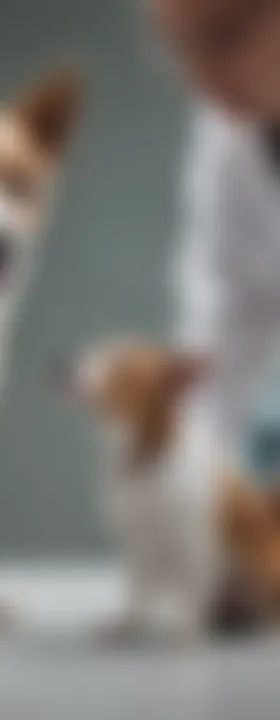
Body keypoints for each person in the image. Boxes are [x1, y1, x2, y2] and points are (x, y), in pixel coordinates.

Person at [149, 0, 280, 456]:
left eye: (224, 36)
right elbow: (228, 295)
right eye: (179, 47)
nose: (201, 77)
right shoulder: (228, 140)